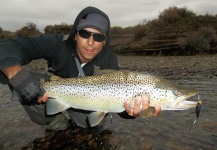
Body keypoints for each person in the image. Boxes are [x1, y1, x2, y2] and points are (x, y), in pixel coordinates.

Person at [0, 6, 160, 131]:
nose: (90, 42)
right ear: (75, 34)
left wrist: (130, 111)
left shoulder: (108, 59)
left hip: (88, 102)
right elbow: (8, 45)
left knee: (93, 127)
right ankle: (56, 122)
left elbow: (117, 102)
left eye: (98, 37)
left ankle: (84, 128)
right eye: (84, 34)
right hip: (52, 90)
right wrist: (17, 75)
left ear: (105, 41)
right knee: (23, 83)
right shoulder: (56, 43)